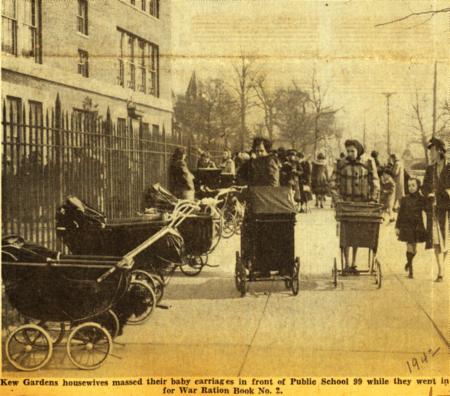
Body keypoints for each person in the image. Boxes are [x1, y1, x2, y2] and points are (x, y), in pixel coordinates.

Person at [331, 139, 380, 272]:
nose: (350, 153)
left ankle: (354, 262)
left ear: (358, 151)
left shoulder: (368, 163)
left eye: (352, 151)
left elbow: (375, 182)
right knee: (346, 235)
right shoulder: (340, 164)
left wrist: (373, 199)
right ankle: (346, 263)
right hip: (346, 205)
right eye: (348, 151)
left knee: (357, 234)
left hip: (362, 205)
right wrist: (337, 199)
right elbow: (333, 183)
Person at [422, 137, 450, 282]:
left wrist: (444, 192)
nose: (430, 154)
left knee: (446, 241)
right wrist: (428, 194)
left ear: (439, 151)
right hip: (433, 210)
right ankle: (440, 271)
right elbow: (424, 187)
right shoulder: (429, 169)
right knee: (436, 241)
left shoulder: (449, 167)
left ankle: (442, 268)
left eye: (432, 151)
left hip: (447, 209)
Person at [395, 178, 427, 279]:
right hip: (406, 226)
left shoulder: (422, 199)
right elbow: (400, 215)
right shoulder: (405, 199)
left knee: (414, 249)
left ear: (418, 186)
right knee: (409, 246)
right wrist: (397, 227)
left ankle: (408, 263)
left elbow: (427, 209)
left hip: (417, 226)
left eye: (413, 185)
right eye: (409, 186)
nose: (411, 188)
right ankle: (411, 271)